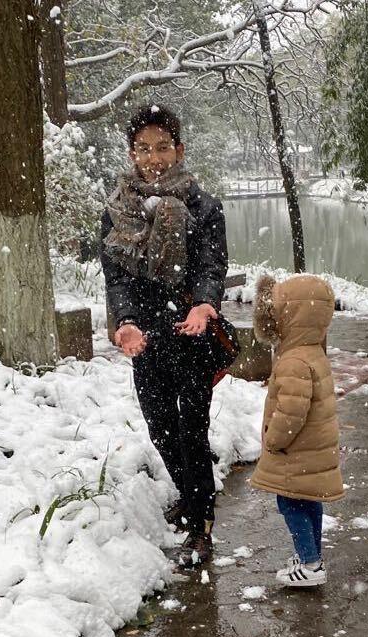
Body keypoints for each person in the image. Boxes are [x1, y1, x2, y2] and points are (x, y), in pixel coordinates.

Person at [100, 104, 229, 569]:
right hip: (147, 337)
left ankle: (201, 525)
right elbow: (118, 278)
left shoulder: (203, 205)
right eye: (143, 148)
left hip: (190, 332)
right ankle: (195, 497)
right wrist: (126, 321)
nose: (153, 157)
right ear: (132, 153)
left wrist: (204, 304)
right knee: (159, 428)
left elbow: (214, 265)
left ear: (179, 149)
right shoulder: (118, 209)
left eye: (162, 147)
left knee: (192, 432)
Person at [249, 274, 343, 587]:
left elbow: (291, 413)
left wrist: (274, 441)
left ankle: (311, 563)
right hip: (311, 450)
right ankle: (311, 553)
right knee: (308, 499)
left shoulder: (293, 362)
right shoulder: (314, 351)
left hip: (295, 451)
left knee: (290, 502)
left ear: (291, 317)